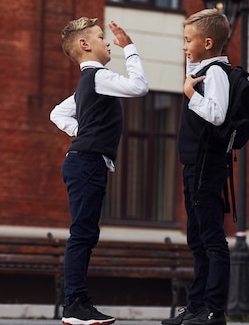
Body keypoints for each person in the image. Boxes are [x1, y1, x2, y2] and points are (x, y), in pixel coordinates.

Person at [50, 17, 148, 325]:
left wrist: (82, 129)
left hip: (86, 161)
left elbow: (58, 113)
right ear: (85, 45)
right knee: (82, 234)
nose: (108, 42)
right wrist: (130, 48)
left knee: (85, 233)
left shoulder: (88, 82)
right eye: (100, 37)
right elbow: (139, 87)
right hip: (87, 162)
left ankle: (78, 303)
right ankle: (75, 306)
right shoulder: (97, 76)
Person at [162, 8, 231, 325]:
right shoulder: (204, 68)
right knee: (197, 238)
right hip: (194, 166)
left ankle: (214, 310)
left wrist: (191, 94)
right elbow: (192, 63)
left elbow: (217, 114)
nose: (184, 45)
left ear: (207, 42)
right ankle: (196, 306)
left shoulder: (216, 73)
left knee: (212, 240)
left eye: (188, 40)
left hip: (207, 166)